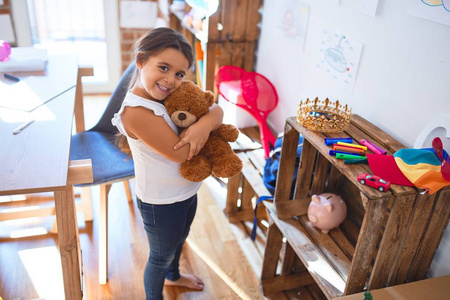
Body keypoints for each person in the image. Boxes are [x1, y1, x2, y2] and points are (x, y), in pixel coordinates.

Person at [111, 27, 224, 299]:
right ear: (140, 61)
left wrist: (204, 126)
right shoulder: (136, 112)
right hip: (159, 203)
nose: (171, 80)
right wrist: (203, 128)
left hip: (186, 191)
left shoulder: (167, 93)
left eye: (179, 74)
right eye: (163, 67)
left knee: (179, 241)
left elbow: (217, 109)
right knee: (160, 257)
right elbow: (180, 153)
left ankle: (173, 278)